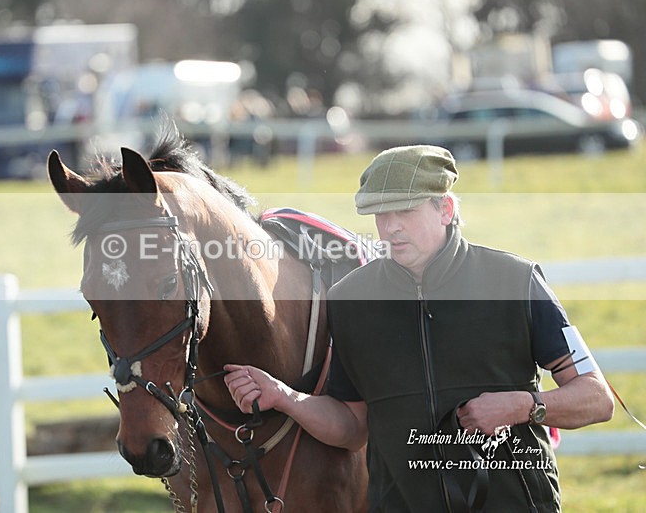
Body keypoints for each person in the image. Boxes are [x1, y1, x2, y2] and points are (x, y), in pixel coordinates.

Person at [224, 145, 614, 512]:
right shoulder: (351, 301)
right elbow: (352, 426)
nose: (390, 227)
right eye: (380, 214)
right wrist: (287, 397)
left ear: (445, 208)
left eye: (404, 212)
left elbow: (597, 399)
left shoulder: (516, 281)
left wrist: (523, 406)